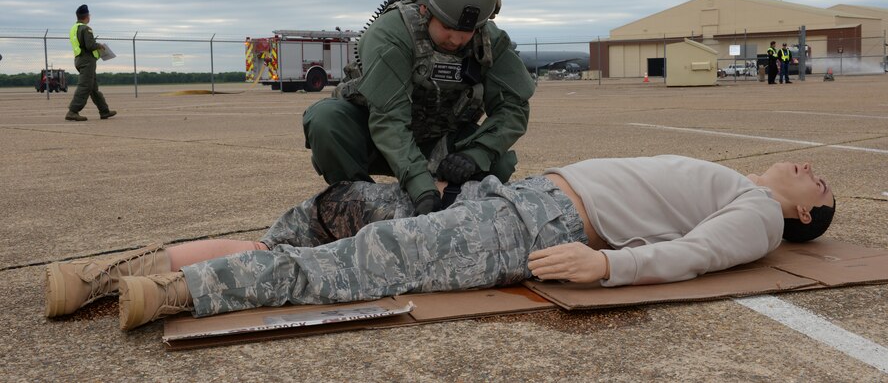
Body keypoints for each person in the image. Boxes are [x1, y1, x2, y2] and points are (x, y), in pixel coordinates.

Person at [42, 155, 836, 330]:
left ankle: (167, 293)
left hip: (532, 228)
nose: (812, 170)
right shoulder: (737, 176)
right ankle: (109, 274)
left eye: (821, 186)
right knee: (328, 211)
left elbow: (693, 256)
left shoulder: (759, 212)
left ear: (801, 218)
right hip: (510, 199)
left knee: (346, 268)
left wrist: (608, 264)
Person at [302, 0, 535, 215]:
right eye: (447, 27)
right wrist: (421, 187)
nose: (457, 40)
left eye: (467, 31)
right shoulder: (392, 35)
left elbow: (514, 109)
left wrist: (476, 155)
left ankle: (461, 214)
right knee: (325, 120)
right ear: (425, 9)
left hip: (439, 141)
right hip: (376, 139)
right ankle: (358, 209)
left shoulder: (490, 41)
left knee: (500, 163)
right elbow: (389, 120)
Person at [66, 4, 116, 121]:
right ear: (87, 16)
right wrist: (99, 45)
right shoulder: (86, 28)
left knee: (93, 88)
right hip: (87, 61)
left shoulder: (74, 28)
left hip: (79, 59)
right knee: (84, 86)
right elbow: (90, 46)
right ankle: (73, 111)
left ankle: (104, 111)